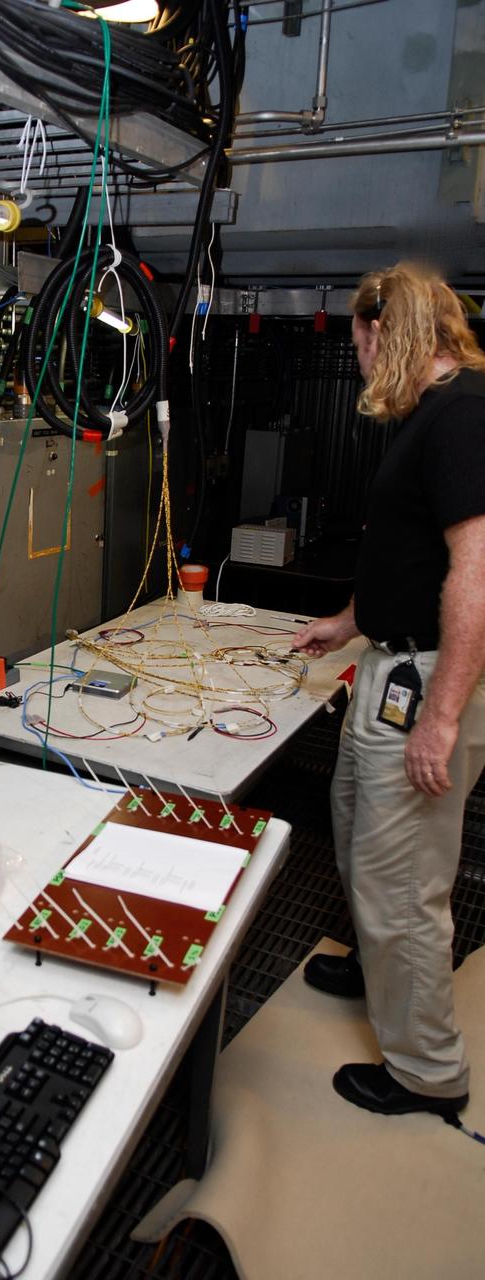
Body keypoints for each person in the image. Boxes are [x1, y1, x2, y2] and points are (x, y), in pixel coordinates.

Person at [292, 262, 485, 1117]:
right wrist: (349, 622)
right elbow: (412, 558)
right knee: (359, 836)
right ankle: (376, 966)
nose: (359, 359)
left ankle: (425, 1073)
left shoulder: (462, 415)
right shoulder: (432, 417)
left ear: (387, 328)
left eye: (360, 341)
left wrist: (439, 717)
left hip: (427, 679)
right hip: (389, 662)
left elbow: (476, 574)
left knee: (403, 885)